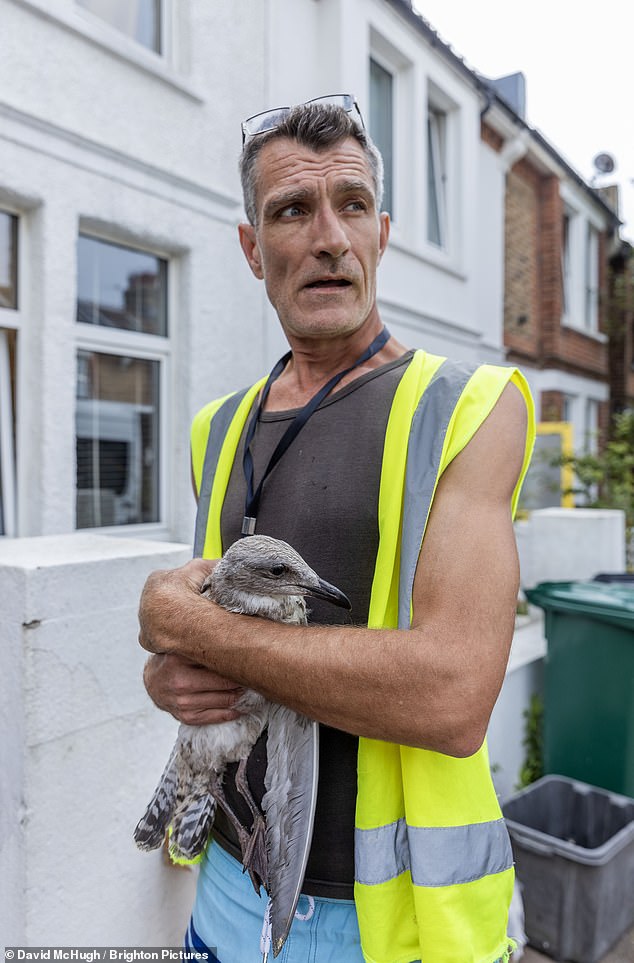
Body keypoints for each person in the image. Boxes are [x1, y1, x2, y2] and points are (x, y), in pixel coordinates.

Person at [138, 94, 535, 963]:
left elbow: (454, 692)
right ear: (252, 249)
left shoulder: (466, 408)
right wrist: (177, 678)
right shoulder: (217, 429)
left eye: (351, 205)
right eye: (291, 210)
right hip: (227, 888)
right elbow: (218, 637)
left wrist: (187, 624)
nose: (329, 237)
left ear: (382, 233)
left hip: (390, 927)